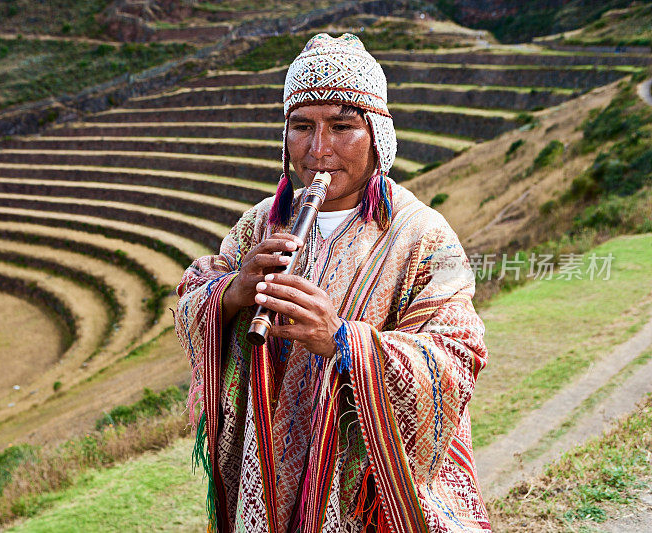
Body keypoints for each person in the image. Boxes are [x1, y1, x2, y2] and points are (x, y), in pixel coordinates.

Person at [174, 33, 491, 533]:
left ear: (377, 136)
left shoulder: (423, 234)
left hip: (364, 491)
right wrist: (232, 293)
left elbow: (458, 356)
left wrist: (342, 341)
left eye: (342, 126)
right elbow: (198, 287)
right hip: (267, 470)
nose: (318, 150)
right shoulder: (261, 223)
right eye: (302, 127)